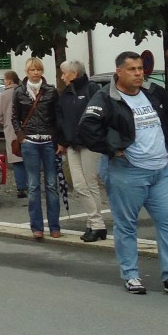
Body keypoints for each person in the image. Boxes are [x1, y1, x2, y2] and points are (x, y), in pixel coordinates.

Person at [78, 50, 168, 295]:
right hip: (127, 172)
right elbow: (86, 129)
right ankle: (131, 275)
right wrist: (112, 149)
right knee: (126, 225)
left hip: (160, 170)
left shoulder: (152, 92)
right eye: (132, 69)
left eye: (140, 69)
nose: (138, 73)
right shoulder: (105, 98)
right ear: (119, 72)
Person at [55, 59, 108, 242]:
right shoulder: (66, 93)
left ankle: (95, 224)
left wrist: (94, 137)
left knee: (91, 184)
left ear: (74, 74)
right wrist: (62, 140)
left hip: (89, 144)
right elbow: (62, 118)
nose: (62, 77)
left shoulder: (92, 89)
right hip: (72, 144)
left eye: (64, 73)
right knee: (79, 185)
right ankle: (96, 223)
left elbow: (99, 116)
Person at [12, 57, 62, 239]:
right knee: (33, 186)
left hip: (48, 142)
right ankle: (37, 227)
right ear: (27, 71)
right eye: (32, 70)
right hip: (30, 142)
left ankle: (55, 226)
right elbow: (14, 117)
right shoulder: (19, 92)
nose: (36, 72)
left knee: (51, 185)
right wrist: (22, 138)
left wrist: (58, 140)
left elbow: (58, 116)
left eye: (39, 69)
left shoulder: (51, 91)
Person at [0, 71, 26, 197]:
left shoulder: (3, 96)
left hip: (11, 130)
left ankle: (21, 188)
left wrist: (4, 124)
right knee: (29, 157)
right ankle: (32, 185)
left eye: (4, 79)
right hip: (27, 129)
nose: (4, 82)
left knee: (16, 158)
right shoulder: (25, 92)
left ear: (9, 80)